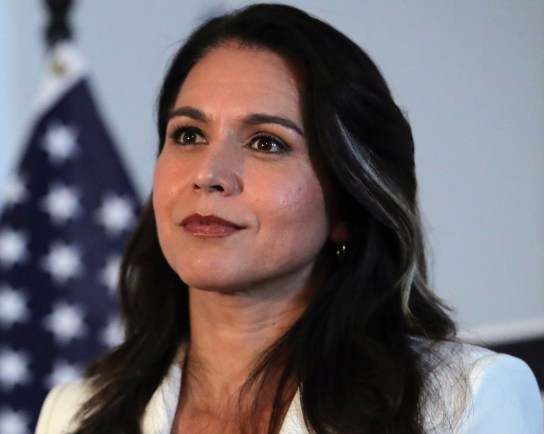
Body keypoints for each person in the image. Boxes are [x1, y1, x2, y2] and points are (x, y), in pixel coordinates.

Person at [35, 4, 543, 433]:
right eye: (188, 134)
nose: (209, 174)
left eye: (266, 143)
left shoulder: (463, 401)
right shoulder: (73, 414)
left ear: (346, 205)